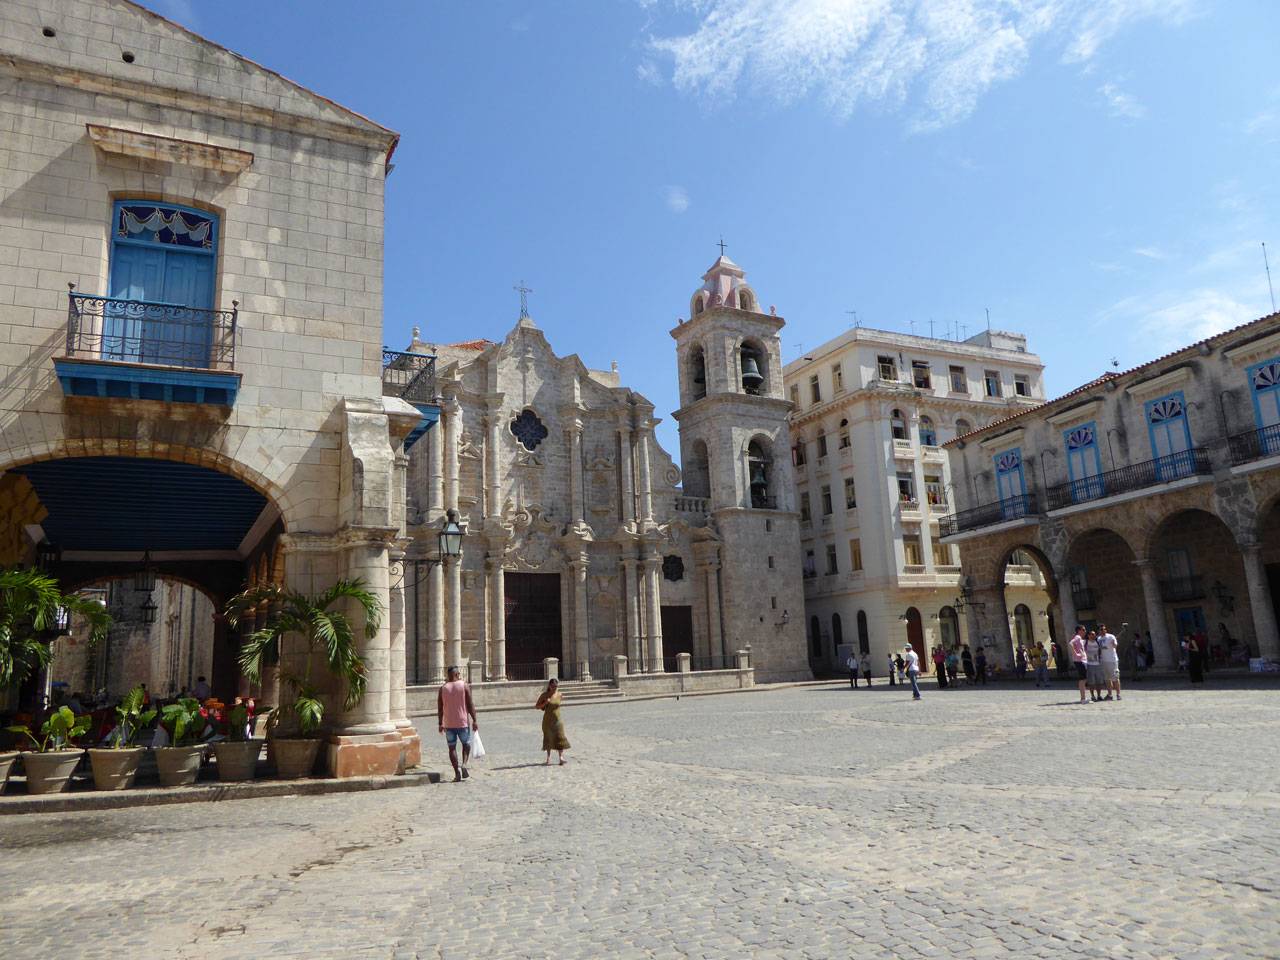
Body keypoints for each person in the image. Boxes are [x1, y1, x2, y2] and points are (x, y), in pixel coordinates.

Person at [437, 665, 478, 782]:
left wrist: (440, 723)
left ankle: (456, 773)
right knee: (466, 744)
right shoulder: (464, 685)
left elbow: (440, 708)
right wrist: (474, 720)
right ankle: (464, 763)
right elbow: (470, 704)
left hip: (448, 724)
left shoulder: (443, 688)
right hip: (463, 722)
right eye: (458, 673)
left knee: (452, 748)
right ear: (456, 674)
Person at [535, 677, 571, 764]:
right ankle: (548, 758)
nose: (554, 688)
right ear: (549, 686)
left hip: (558, 719)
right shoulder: (545, 695)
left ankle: (561, 758)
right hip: (548, 720)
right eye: (552, 687)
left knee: (560, 736)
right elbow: (537, 706)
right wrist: (545, 703)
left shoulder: (559, 694)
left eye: (555, 686)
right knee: (548, 737)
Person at [1097, 623, 1121, 701]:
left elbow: (1115, 645)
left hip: (1112, 660)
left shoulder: (1111, 637)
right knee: (1107, 679)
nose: (1103, 630)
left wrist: (1113, 644)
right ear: (1098, 631)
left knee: (1115, 678)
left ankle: (1118, 694)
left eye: (1104, 629)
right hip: (1103, 661)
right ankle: (1110, 694)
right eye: (1101, 629)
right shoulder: (1098, 639)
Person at [1069, 625, 1089, 704]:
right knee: (1083, 679)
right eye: (1083, 629)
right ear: (1079, 630)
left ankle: (1084, 697)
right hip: (1079, 660)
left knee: (1083, 679)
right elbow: (1070, 644)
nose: (1085, 631)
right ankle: (1083, 698)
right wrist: (1075, 654)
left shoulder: (1079, 638)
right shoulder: (1077, 637)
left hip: (1082, 660)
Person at [1084, 630, 1104, 701]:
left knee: (1099, 681)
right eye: (1092, 634)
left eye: (1094, 634)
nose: (1094, 635)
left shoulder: (1097, 642)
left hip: (1097, 663)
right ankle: (1092, 695)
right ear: (1088, 635)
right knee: (1091, 681)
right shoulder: (1085, 642)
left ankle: (1099, 695)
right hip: (1089, 663)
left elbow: (1100, 651)